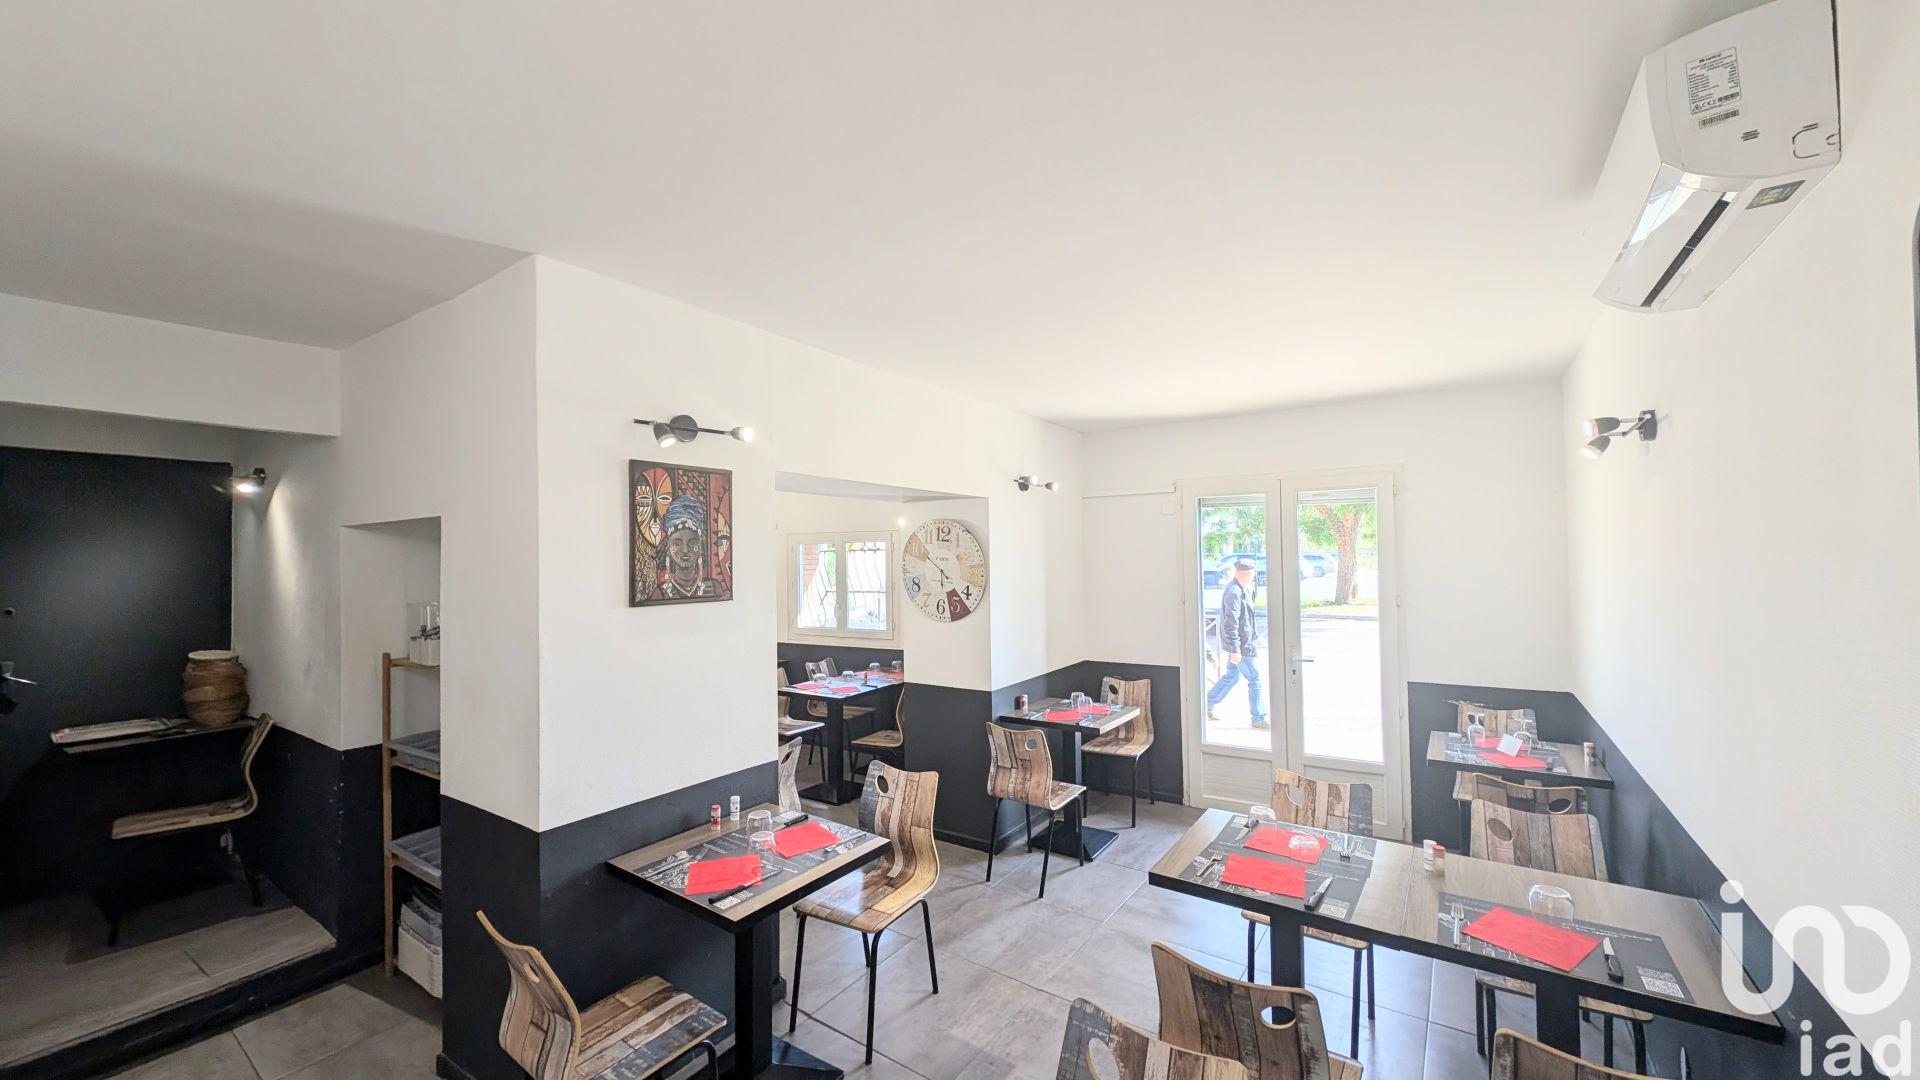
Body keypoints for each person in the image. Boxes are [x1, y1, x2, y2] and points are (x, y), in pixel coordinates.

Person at [1207, 557, 1267, 728]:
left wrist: (1255, 635)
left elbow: (1247, 618)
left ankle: (1206, 703)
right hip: (1241, 646)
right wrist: (1235, 649)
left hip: (1244, 643)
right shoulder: (1234, 592)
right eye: (1252, 573)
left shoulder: (1244, 589)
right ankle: (1258, 718)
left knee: (1232, 676)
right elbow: (1230, 622)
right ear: (1247, 573)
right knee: (1254, 679)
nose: (1254, 576)